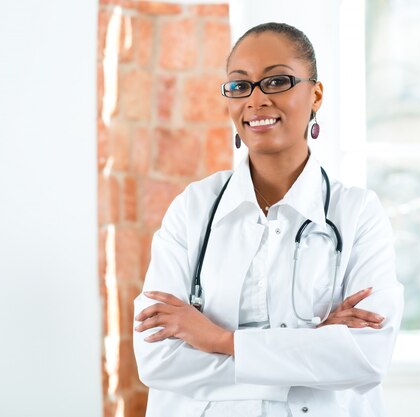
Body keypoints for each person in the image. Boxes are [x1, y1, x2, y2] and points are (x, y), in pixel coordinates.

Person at [133, 22, 404, 417]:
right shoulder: (193, 208)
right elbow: (158, 359)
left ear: (316, 93)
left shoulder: (359, 214)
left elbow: (365, 357)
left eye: (277, 81)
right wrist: (313, 348)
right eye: (240, 86)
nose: (256, 100)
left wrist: (218, 339)